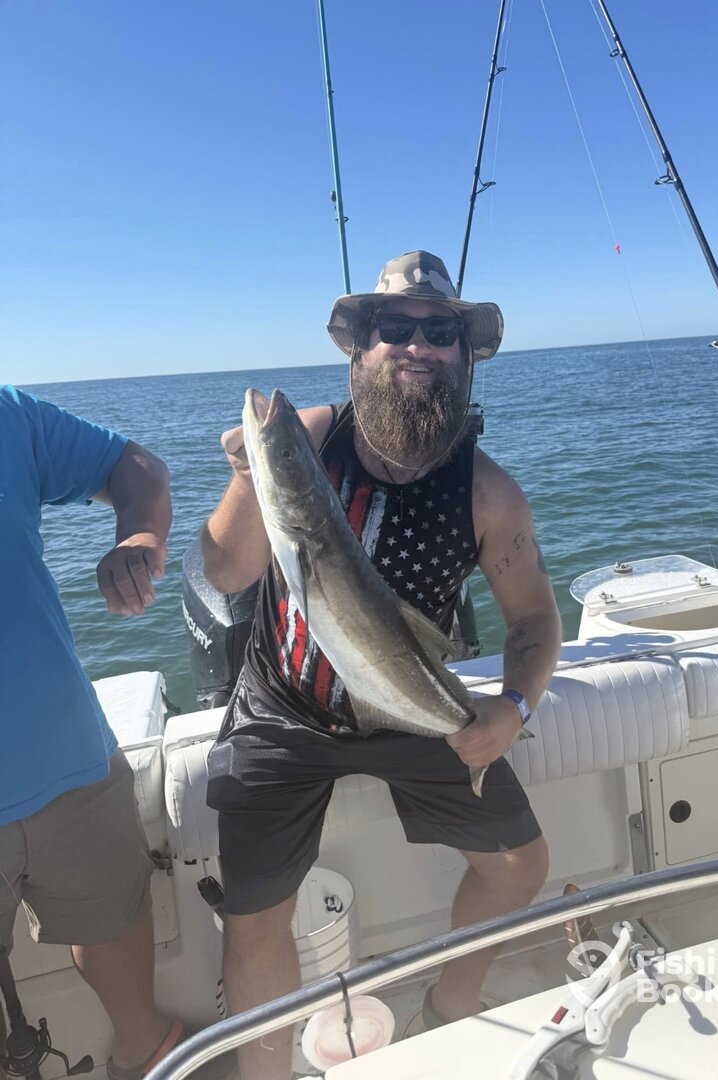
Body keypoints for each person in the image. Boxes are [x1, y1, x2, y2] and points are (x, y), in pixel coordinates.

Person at [203, 251, 561, 1079]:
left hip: (411, 706)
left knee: (521, 866)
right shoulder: (307, 438)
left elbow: (536, 620)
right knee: (253, 919)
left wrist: (512, 707)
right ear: (359, 347)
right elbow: (224, 574)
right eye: (395, 327)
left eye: (440, 332)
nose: (417, 346)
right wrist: (251, 473)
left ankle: (449, 1008)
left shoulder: (488, 494)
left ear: (463, 356)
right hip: (282, 706)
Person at [0, 386, 221, 1080]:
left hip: (68, 757)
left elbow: (136, 468)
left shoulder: (9, 415)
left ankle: (144, 1050)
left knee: (113, 919)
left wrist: (140, 536)